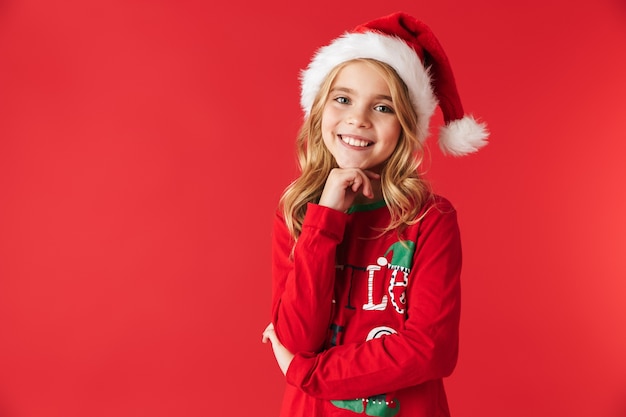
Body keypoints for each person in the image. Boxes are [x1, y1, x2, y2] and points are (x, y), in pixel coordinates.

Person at [262, 11, 488, 417]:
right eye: (343, 99)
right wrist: (324, 219)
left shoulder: (429, 220)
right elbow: (297, 337)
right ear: (319, 110)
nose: (358, 119)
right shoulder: (296, 214)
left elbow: (429, 350)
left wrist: (308, 373)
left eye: (382, 107)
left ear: (405, 125)